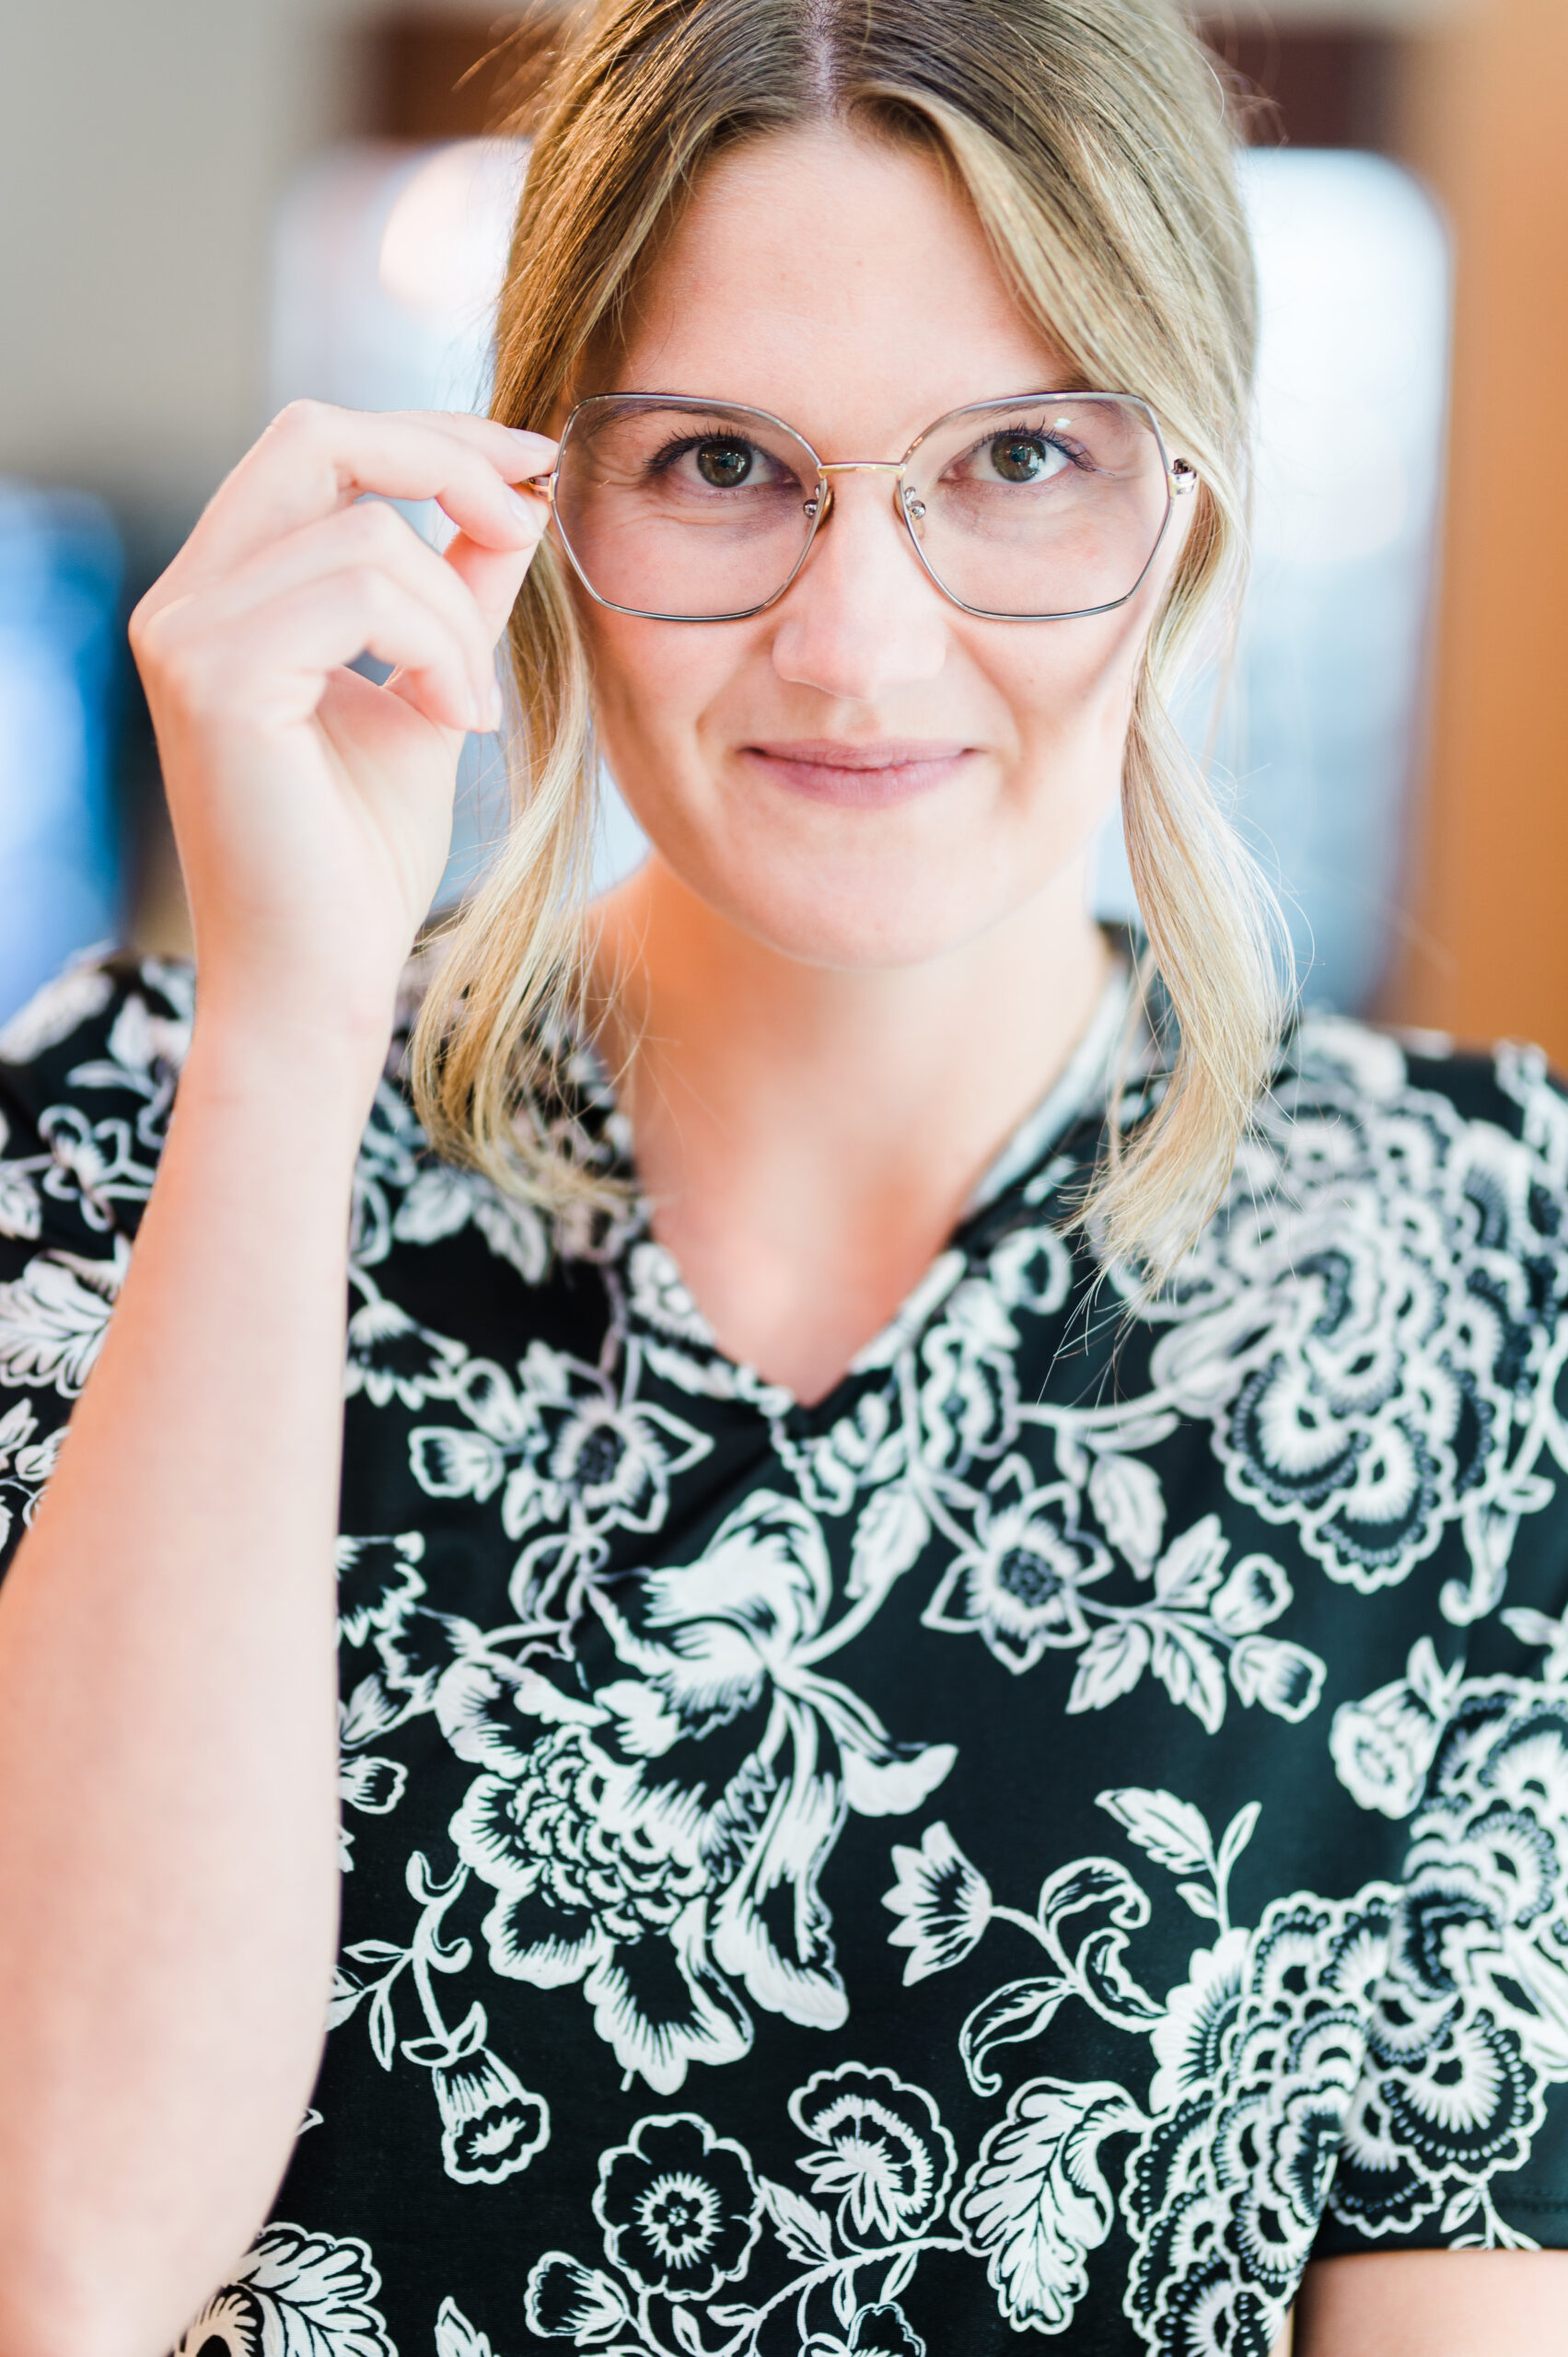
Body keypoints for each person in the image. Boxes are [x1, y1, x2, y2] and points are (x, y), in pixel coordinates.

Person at [2, 0, 1567, 2350]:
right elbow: (72, 2251)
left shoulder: (1488, 1248)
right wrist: (286, 1036)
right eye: (725, 460)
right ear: (531, 502)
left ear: (1193, 500)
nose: (857, 645)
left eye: (1023, 455)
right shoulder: (119, 1134)